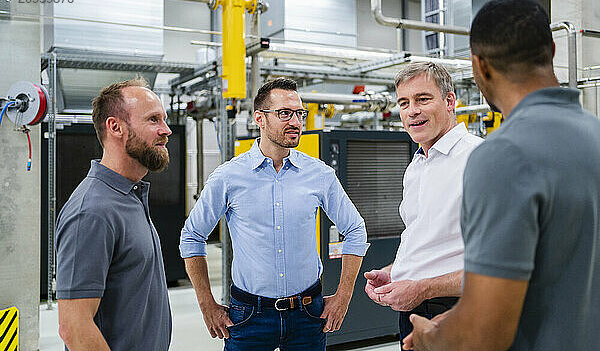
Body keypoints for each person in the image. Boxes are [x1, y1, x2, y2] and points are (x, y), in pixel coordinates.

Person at [405, 0, 600, 351]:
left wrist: (431, 337)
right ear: (552, 50)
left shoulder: (501, 156)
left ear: (480, 66)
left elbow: (483, 334)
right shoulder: (595, 135)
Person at [179, 77, 369, 351]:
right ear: (260, 118)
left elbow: (355, 230)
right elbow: (192, 237)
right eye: (284, 113)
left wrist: (344, 295)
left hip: (308, 314)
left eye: (299, 114)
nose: (295, 122)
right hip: (248, 317)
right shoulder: (229, 177)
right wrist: (206, 302)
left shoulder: (320, 174)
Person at [363, 62, 483, 346]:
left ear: (450, 101)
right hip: (414, 309)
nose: (411, 110)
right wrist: (396, 270)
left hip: (457, 310)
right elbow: (429, 240)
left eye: (422, 99)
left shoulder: (479, 159)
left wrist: (423, 287)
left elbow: (502, 262)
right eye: (404, 103)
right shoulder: (417, 165)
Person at [55, 78, 173, 351]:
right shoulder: (92, 211)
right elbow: (73, 328)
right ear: (115, 127)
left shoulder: (130, 196)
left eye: (163, 119)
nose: (166, 130)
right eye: (153, 120)